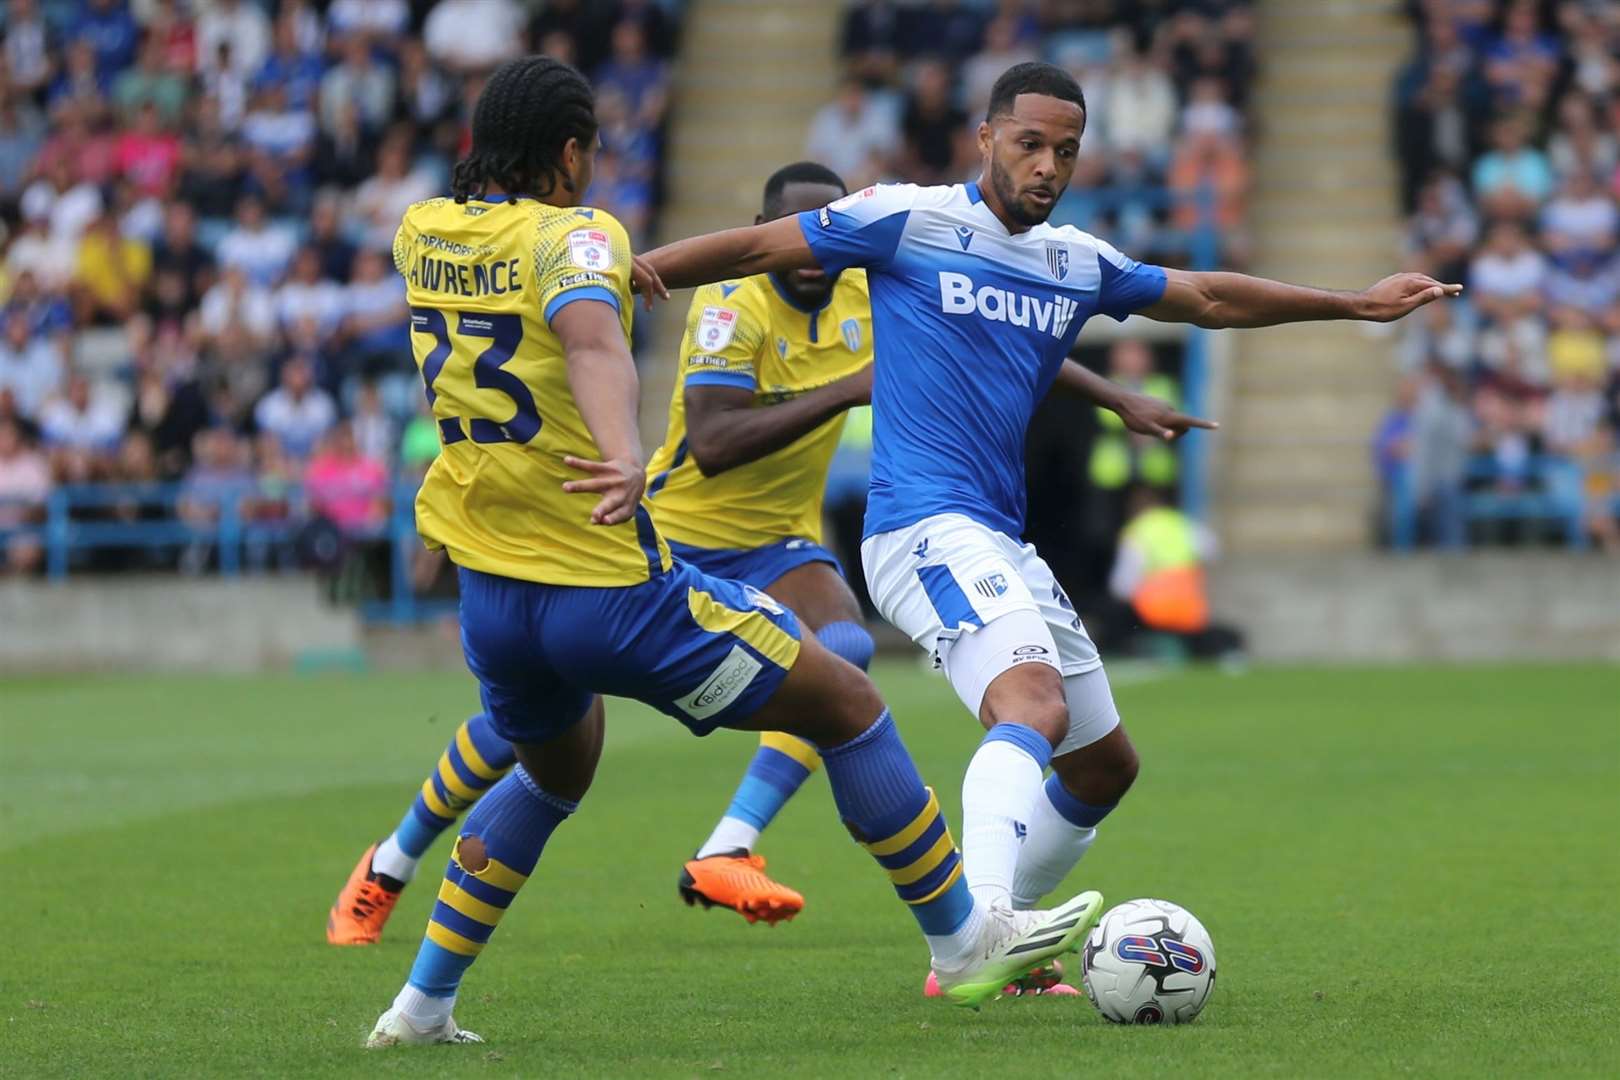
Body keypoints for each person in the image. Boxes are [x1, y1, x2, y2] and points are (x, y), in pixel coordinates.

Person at [636, 61, 1461, 985]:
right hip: (918, 527)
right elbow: (757, 250)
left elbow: (1210, 300)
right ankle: (980, 929)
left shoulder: (1073, 261)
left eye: (1065, 151)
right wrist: (635, 273)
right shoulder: (905, 218)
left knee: (1105, 764)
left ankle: (990, 947)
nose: (1047, 166)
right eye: (1029, 144)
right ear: (986, 138)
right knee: (1031, 703)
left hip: (997, 534)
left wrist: (1352, 302)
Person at [363, 57, 1101, 1049]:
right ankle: (962, 944)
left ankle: (419, 1008)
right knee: (847, 701)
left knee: (551, 771)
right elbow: (591, 343)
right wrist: (624, 452)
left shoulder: (424, 233)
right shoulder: (581, 235)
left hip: (491, 592)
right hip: (608, 583)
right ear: (574, 153)